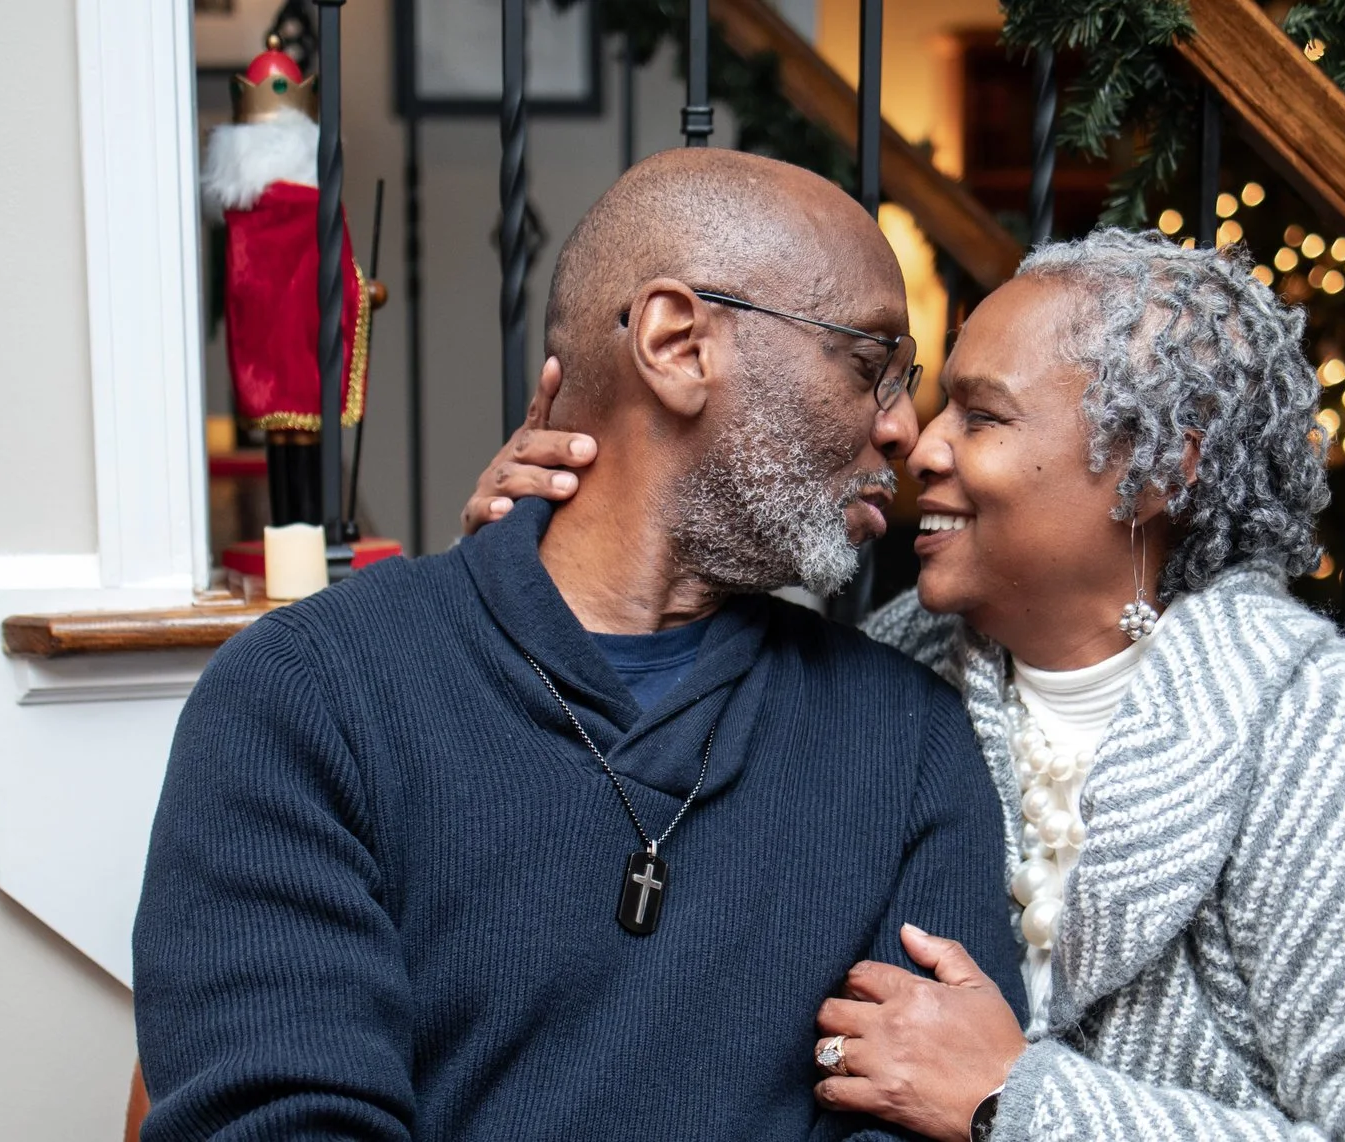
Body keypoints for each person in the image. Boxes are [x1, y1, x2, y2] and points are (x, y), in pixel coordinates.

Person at [469, 230, 1345, 1140]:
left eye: (983, 413)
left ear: (1158, 468)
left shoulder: (1321, 744)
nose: (917, 444)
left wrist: (1028, 1104)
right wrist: (546, 561)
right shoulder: (889, 675)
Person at [133, 148, 1022, 1141]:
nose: (905, 429)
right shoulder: (310, 695)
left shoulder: (906, 739)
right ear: (678, 343)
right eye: (868, 363)